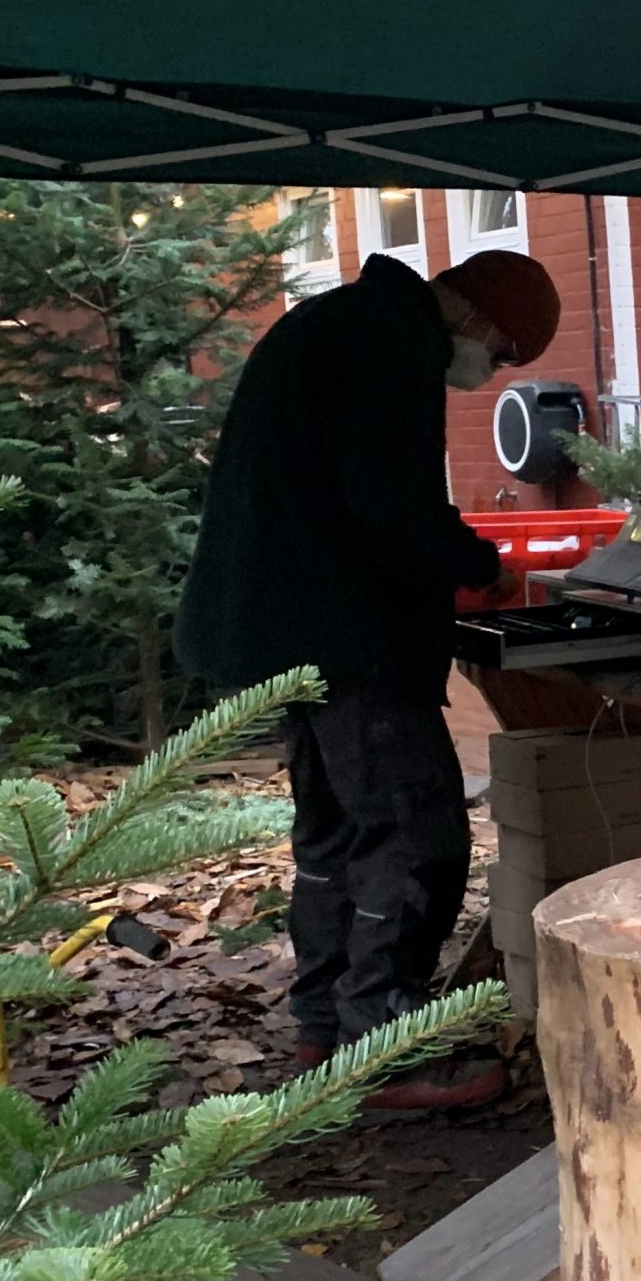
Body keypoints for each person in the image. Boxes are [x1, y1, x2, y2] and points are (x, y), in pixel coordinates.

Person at [176, 246, 560, 1112]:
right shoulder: (387, 347)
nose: (491, 370)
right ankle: (382, 1048)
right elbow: (388, 503)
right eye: (502, 353)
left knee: (334, 835)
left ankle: (325, 1023)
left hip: (284, 628)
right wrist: (478, 563)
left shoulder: (342, 323)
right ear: (475, 316)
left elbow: (362, 489)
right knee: (411, 835)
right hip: (348, 634)